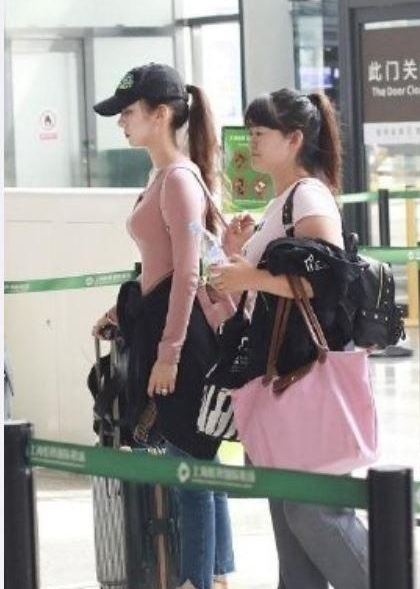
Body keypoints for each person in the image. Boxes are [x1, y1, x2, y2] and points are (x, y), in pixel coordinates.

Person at [209, 88, 369, 589]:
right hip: (283, 375)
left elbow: (329, 276)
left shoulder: (308, 196)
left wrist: (250, 275)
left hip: (304, 375)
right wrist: (239, 254)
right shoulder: (283, 201)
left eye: (261, 132)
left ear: (294, 139)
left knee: (312, 512)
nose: (251, 141)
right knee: (291, 518)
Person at [91, 63, 235, 589]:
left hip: (186, 340)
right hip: (169, 330)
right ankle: (216, 575)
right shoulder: (164, 177)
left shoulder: (177, 180)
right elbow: (162, 268)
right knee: (197, 460)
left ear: (160, 115)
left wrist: (169, 355)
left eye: (128, 112)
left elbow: (188, 275)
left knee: (187, 467)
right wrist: (121, 313)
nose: (121, 122)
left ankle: (198, 580)